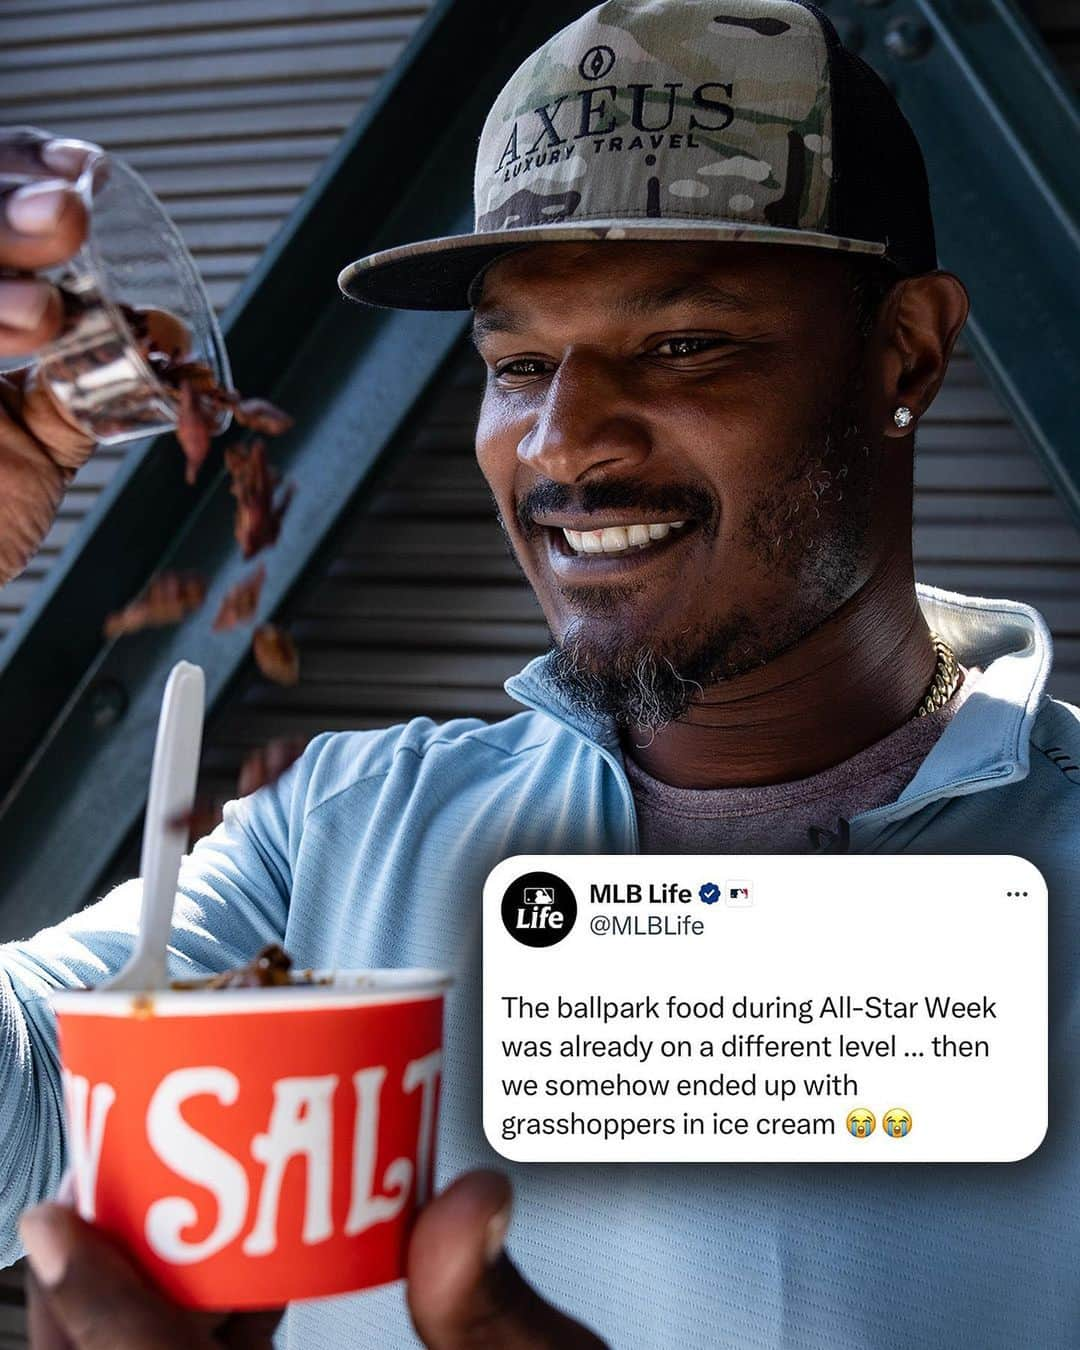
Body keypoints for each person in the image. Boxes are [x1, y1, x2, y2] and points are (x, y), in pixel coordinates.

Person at [2, 1, 1078, 1346]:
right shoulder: (340, 831)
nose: (563, 441)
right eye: (517, 363)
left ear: (904, 353)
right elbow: (29, 1111)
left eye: (683, 343)